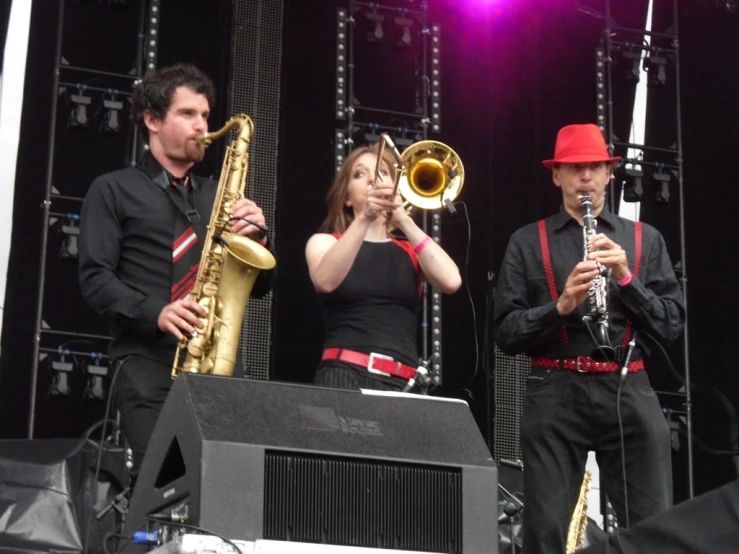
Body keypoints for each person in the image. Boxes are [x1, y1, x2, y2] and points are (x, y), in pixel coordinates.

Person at [492, 123, 685, 553]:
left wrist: (626, 278)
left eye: (594, 167)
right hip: (555, 389)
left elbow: (671, 324)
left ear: (609, 173)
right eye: (575, 168)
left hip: (627, 384)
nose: (585, 177)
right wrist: (559, 308)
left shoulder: (643, 240)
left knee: (654, 526)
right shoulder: (527, 241)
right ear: (557, 175)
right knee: (543, 530)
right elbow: (506, 333)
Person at [78, 64, 272, 484]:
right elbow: (95, 279)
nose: (202, 125)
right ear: (152, 120)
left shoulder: (218, 193)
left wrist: (259, 237)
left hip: (217, 365)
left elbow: (261, 285)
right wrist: (157, 312)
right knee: (163, 485)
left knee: (225, 486)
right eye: (188, 114)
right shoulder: (112, 189)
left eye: (205, 115)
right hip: (147, 364)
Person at [305, 142, 462, 391]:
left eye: (382, 173)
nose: (372, 180)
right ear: (346, 197)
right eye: (359, 174)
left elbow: (452, 281)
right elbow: (325, 280)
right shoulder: (324, 242)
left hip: (404, 382)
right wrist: (365, 216)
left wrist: (403, 219)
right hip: (344, 375)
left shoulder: (409, 251)